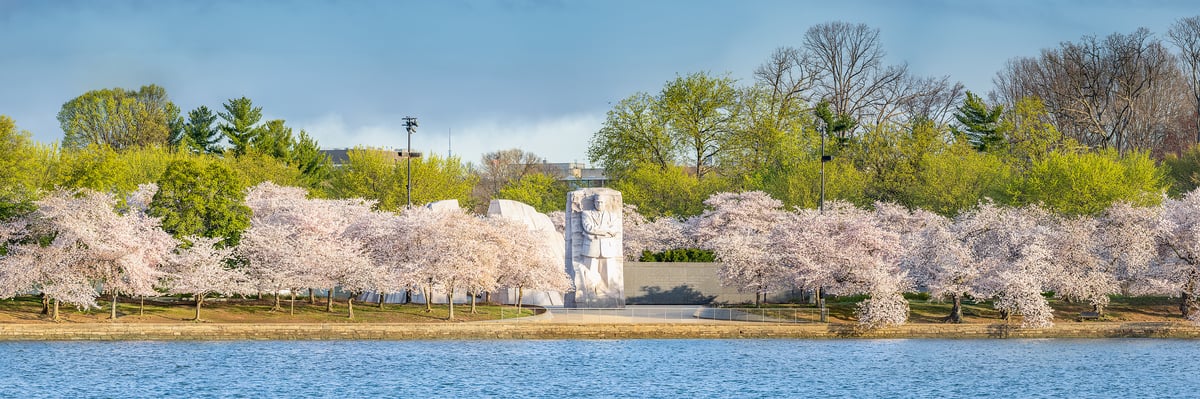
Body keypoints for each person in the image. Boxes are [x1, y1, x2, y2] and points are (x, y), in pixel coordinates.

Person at [579, 194, 621, 301]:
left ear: (605, 203)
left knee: (608, 273)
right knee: (589, 272)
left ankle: (608, 294)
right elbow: (588, 227)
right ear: (594, 202)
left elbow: (614, 229)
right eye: (597, 202)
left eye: (602, 202)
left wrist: (597, 232)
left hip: (607, 248)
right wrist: (606, 231)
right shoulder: (586, 213)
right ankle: (590, 293)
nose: (599, 204)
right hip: (591, 247)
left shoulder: (612, 215)